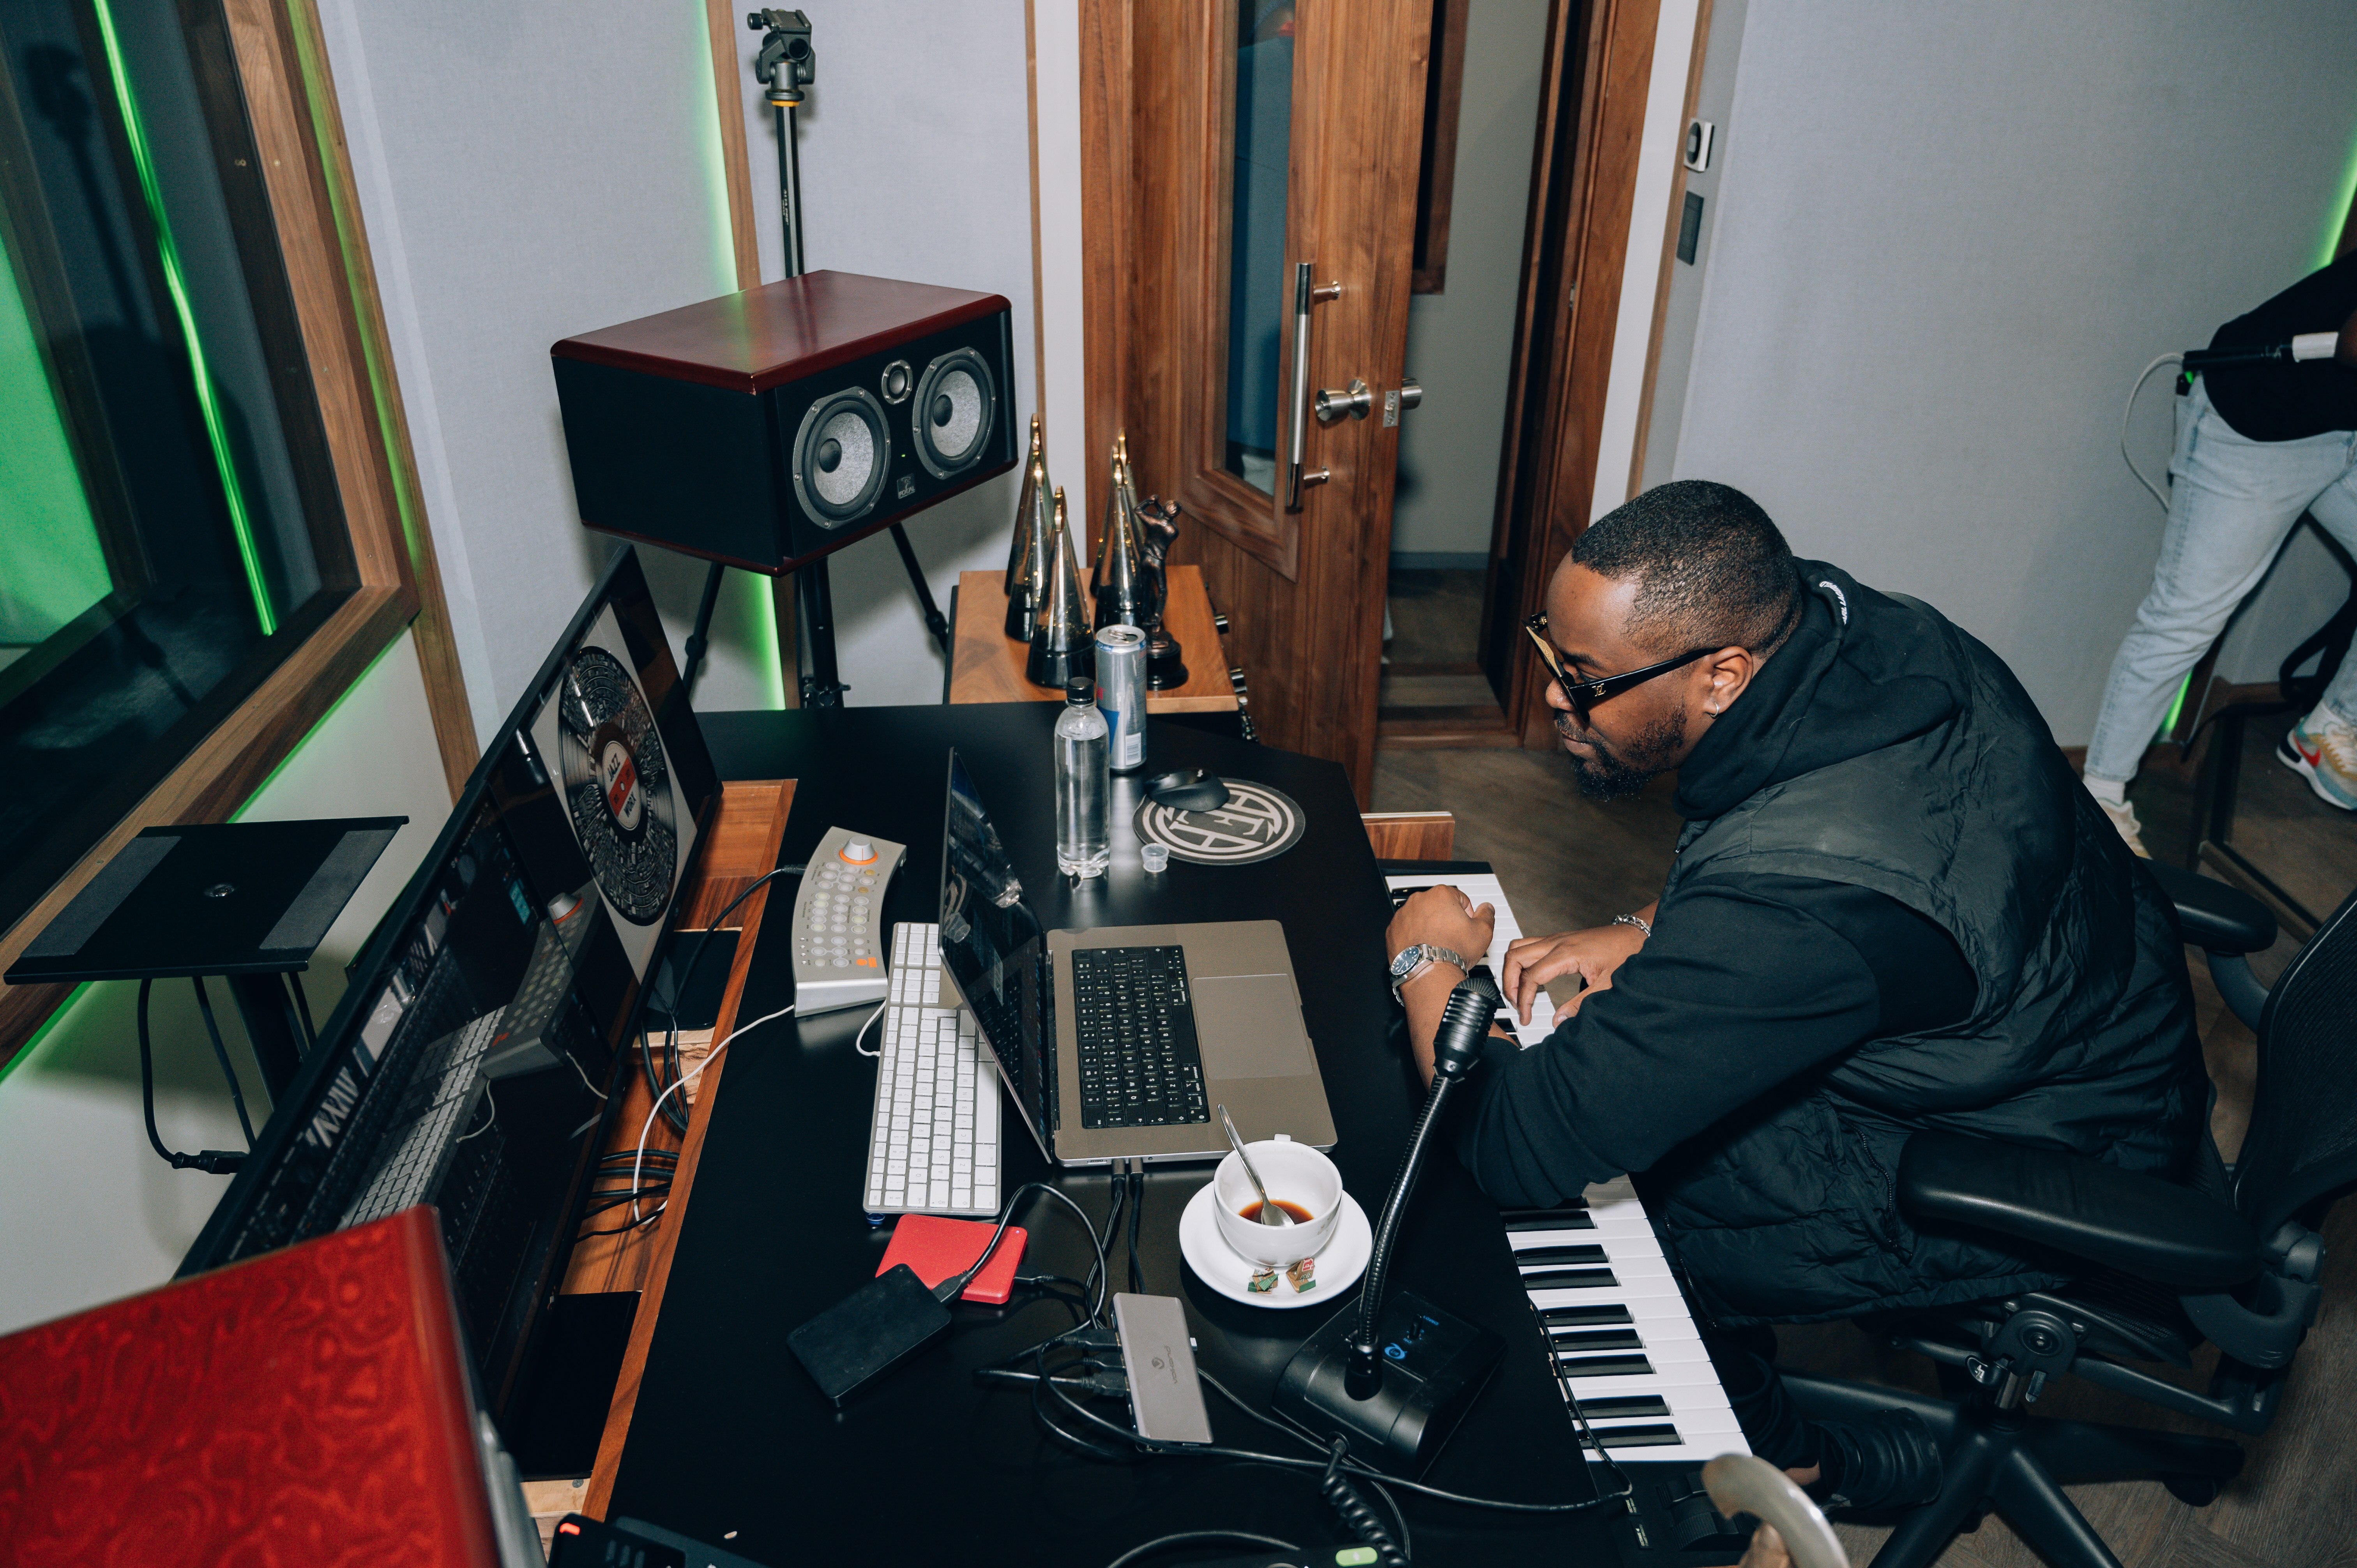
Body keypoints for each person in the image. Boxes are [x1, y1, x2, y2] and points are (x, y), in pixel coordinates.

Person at [1383, 481, 2207, 1511]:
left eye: (1584, 678)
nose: (1553, 694)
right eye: (1552, 652)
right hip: (2096, 1019)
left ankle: (1797, 1460)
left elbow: (1517, 1142)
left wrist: (1428, 962)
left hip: (2043, 1152)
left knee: (1637, 1198)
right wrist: (1650, 924)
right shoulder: (1876, 634)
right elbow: (1826, 843)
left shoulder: (1799, 914)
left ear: (1723, 673)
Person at [2084, 252, 2357, 853]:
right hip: (2257, 421)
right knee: (2188, 617)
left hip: (2344, 428)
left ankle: (2331, 727)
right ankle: (2099, 798)